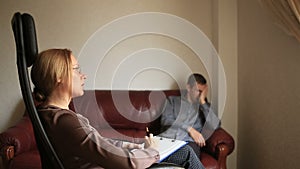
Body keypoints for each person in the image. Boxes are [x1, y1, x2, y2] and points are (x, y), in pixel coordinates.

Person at [31, 48, 205, 169]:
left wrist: (132, 144)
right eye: (76, 69)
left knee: (183, 151)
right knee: (186, 153)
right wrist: (152, 151)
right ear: (58, 76)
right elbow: (127, 163)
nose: (83, 75)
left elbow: (100, 144)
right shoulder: (65, 121)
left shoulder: (52, 115)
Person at [159, 73, 220, 157]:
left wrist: (203, 102)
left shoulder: (204, 108)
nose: (200, 94)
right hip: (168, 139)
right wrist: (189, 129)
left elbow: (215, 125)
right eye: (198, 90)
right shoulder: (172, 100)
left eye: (202, 92)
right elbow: (165, 120)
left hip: (189, 143)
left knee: (190, 156)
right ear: (188, 87)